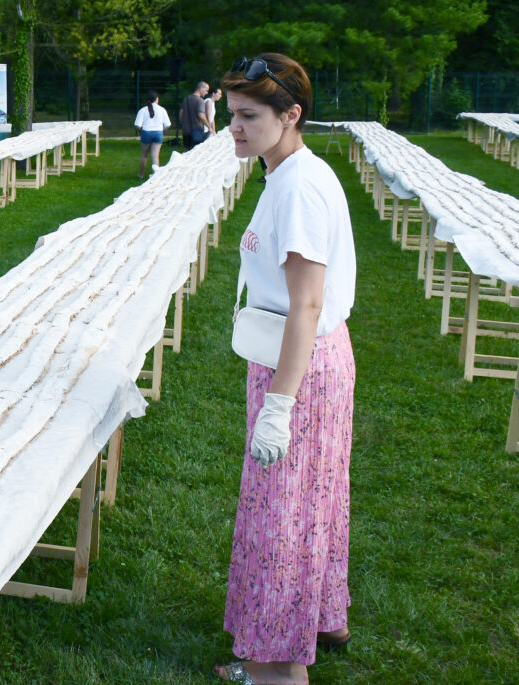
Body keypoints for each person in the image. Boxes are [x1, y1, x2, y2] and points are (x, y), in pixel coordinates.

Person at [214, 53, 356, 685]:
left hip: (296, 369)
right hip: (302, 359)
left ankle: (277, 670)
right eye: (230, 115)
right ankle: (318, 616)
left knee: (285, 514)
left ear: (290, 116)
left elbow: (307, 304)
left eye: (247, 116)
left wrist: (280, 405)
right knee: (310, 502)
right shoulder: (288, 172)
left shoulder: (298, 188)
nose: (234, 129)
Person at [133, 91, 170, 179]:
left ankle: (141, 175)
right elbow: (168, 124)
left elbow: (137, 125)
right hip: (158, 133)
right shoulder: (162, 110)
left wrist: (141, 132)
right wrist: (162, 131)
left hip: (146, 133)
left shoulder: (142, 110)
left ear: (148, 100)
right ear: (157, 99)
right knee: (155, 156)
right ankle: (155, 176)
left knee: (144, 155)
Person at [178, 80, 210, 151]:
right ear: (201, 88)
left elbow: (181, 113)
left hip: (186, 130)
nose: (206, 92)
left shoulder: (186, 99)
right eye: (206, 90)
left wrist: (183, 123)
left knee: (186, 151)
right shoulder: (200, 100)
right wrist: (209, 127)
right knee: (195, 152)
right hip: (197, 130)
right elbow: (201, 115)